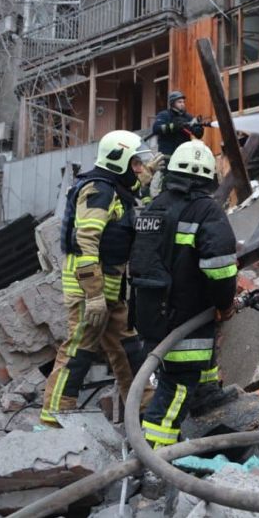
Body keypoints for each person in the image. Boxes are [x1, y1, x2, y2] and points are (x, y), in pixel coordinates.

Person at [40, 130, 157, 425]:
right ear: (118, 161)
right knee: (80, 349)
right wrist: (93, 295)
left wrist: (148, 174)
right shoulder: (99, 191)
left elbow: (129, 192)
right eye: (135, 163)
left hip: (111, 291)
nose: (139, 169)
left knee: (128, 350)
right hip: (90, 290)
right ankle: (53, 420)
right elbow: (86, 244)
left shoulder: (114, 187)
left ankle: (145, 411)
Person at [129, 140, 239, 449]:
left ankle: (206, 395)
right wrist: (225, 303)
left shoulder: (154, 207)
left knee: (187, 369)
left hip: (150, 313)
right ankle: (153, 454)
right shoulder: (206, 210)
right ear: (208, 177)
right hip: (184, 315)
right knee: (176, 385)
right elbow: (220, 268)